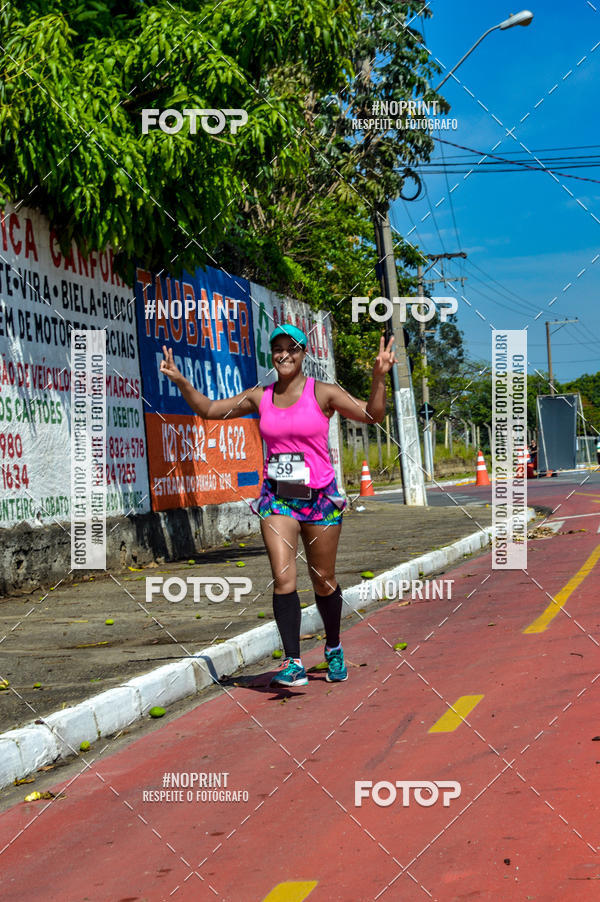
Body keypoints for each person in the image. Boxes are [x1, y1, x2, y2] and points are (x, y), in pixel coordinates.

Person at [159, 324, 396, 688]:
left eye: (293, 348)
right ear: (272, 355)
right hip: (277, 497)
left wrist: (378, 377)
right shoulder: (260, 397)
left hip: (320, 499)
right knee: (284, 578)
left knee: (323, 580)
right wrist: (180, 380)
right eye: (278, 349)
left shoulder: (324, 393)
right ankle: (293, 662)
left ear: (303, 354)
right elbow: (208, 409)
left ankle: (333, 647)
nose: (285, 355)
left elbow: (372, 415)